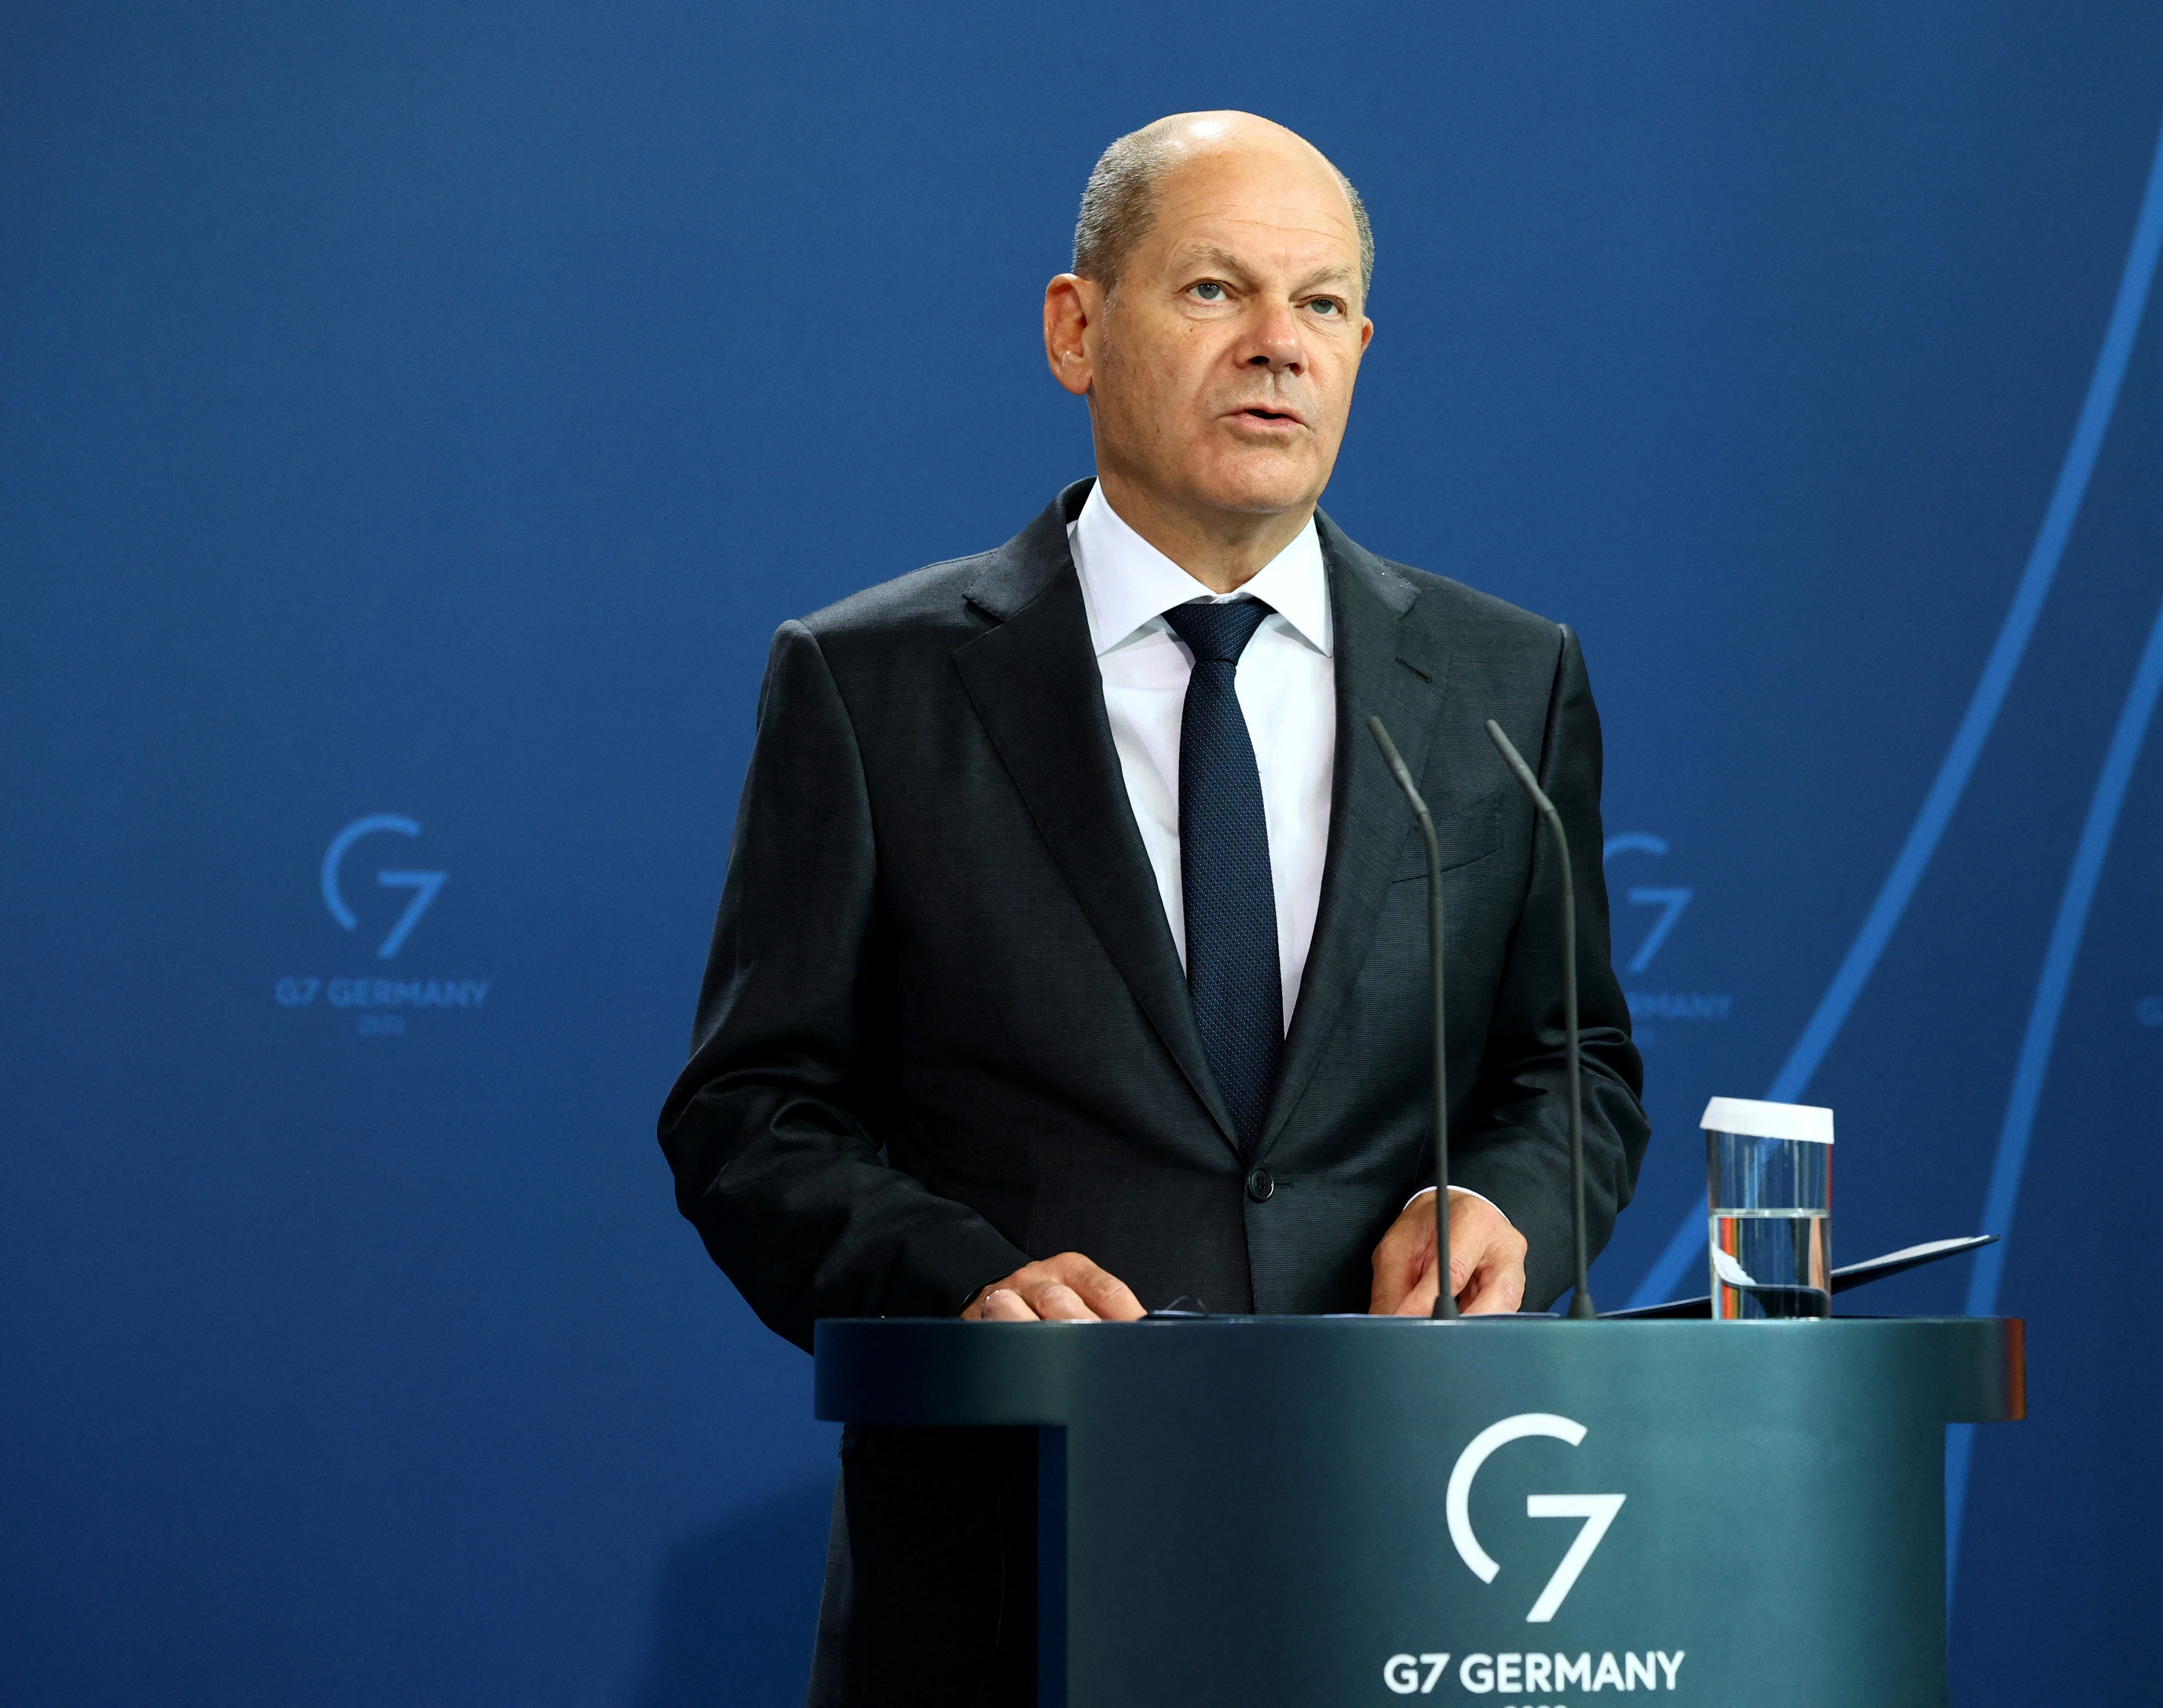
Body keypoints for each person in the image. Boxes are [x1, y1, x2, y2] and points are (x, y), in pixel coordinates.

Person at [658, 110, 1647, 1707]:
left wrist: (1502, 1200)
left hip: (1410, 1545)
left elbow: (1575, 1062)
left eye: (1320, 305)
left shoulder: (1502, 682)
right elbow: (751, 1110)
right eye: (1211, 290)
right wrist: (961, 1284)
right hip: (1015, 1563)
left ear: (1360, 349)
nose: (1276, 346)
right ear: (1076, 329)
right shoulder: (870, 683)